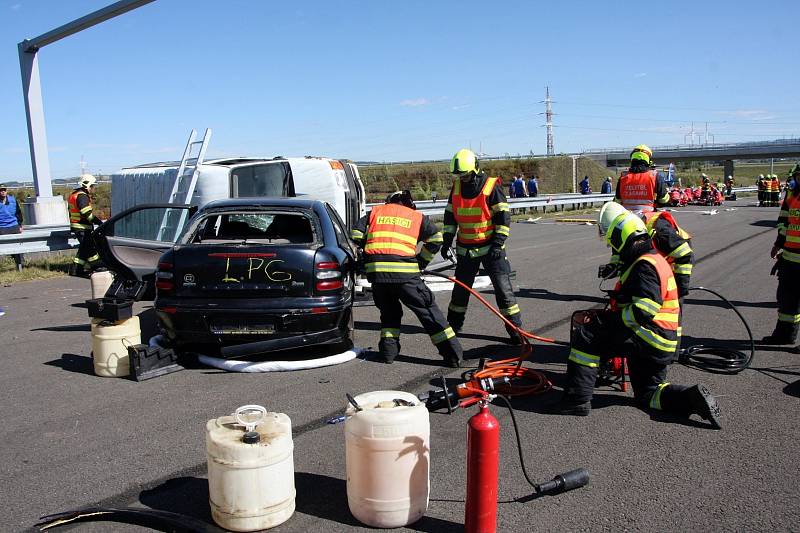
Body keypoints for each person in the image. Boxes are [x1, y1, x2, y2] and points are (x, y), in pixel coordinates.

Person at [550, 202, 721, 429]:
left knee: (587, 335)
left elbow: (644, 309)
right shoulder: (651, 257)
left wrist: (607, 321)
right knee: (649, 394)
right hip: (661, 342)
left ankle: (576, 400)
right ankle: (690, 398)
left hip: (650, 338)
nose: (612, 247)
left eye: (613, 241)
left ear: (623, 237)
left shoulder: (644, 266)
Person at [350, 190, 463, 366]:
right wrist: (421, 261)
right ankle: (454, 356)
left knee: (389, 314)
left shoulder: (376, 212)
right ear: (409, 203)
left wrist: (367, 257)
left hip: (377, 275)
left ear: (389, 201)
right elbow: (436, 238)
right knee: (428, 312)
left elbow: (355, 235)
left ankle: (388, 354)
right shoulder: (415, 216)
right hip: (406, 275)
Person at [442, 148, 523, 343]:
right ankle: (453, 329)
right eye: (460, 176)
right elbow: (450, 216)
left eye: (466, 175)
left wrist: (498, 243)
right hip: (465, 250)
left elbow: (503, 218)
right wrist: (446, 241)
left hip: (491, 249)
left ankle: (516, 332)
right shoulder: (458, 187)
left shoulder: (491, 186)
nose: (463, 179)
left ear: (476, 169)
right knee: (460, 294)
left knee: (504, 292)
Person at [763, 164, 800, 345]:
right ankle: (785, 334)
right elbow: (784, 222)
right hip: (791, 258)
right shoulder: (792, 195)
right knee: (787, 299)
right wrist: (778, 244)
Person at [614, 144, 670, 213]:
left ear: (632, 158)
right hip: (648, 217)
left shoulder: (623, 177)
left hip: (626, 218)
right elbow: (663, 200)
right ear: (648, 159)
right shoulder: (655, 176)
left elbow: (617, 201)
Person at [68, 174, 104, 277]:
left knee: (83, 249)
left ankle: (76, 270)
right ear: (86, 185)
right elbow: (86, 213)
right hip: (82, 227)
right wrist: (98, 222)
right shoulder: (82, 196)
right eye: (92, 186)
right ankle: (97, 266)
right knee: (90, 248)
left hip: (78, 226)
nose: (94, 188)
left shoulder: (73, 195)